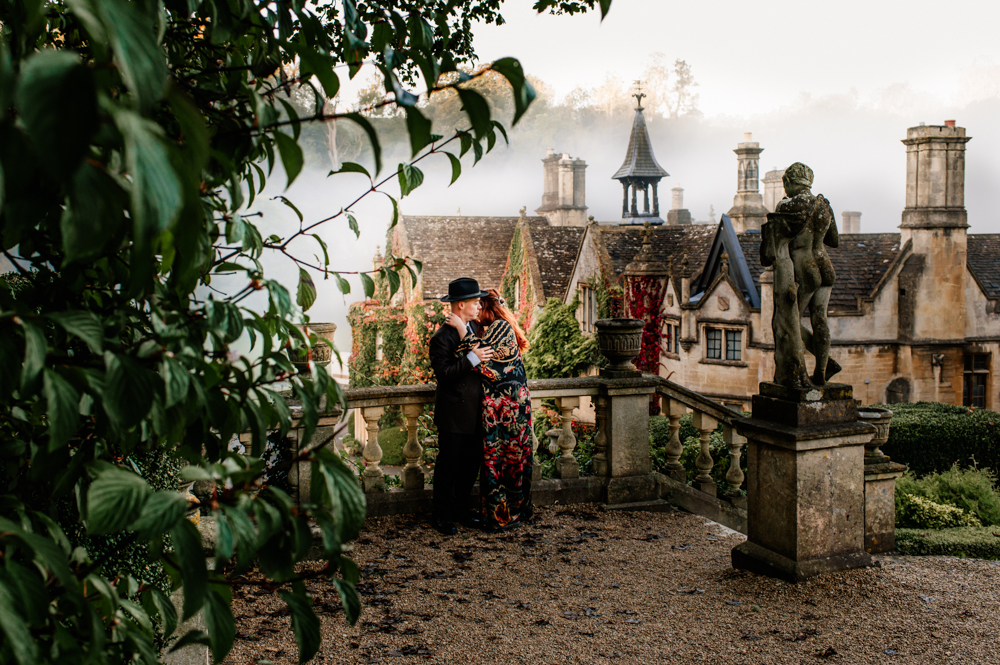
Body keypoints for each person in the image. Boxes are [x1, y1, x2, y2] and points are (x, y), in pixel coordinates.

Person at [448, 288, 533, 532]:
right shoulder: (495, 328)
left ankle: (507, 514)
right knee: (501, 458)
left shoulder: (501, 327)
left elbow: (485, 363)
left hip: (509, 409)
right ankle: (504, 512)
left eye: (478, 307)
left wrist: (461, 328)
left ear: (487, 308)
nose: (475, 315)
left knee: (508, 458)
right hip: (502, 407)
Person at [428, 277, 494, 536]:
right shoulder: (441, 338)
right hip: (454, 414)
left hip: (477, 412)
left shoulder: (474, 330)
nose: (479, 306)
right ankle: (441, 516)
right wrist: (471, 359)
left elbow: (486, 361)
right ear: (460, 305)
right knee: (449, 468)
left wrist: (476, 354)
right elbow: (444, 374)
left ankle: (462, 511)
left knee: (470, 466)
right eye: (475, 302)